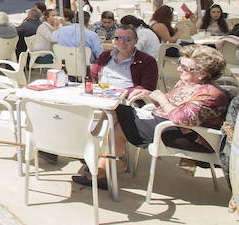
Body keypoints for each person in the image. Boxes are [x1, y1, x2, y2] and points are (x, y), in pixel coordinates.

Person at [74, 45, 229, 190]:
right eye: (180, 64)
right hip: (167, 125)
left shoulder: (210, 94)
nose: (178, 69)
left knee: (113, 110)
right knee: (117, 125)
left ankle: (91, 158)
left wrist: (162, 99)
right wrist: (149, 95)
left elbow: (181, 118)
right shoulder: (188, 83)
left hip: (187, 136)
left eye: (184, 67)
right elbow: (169, 103)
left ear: (202, 74)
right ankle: (103, 170)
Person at [88, 24, 157, 94]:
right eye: (118, 38)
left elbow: (147, 87)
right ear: (114, 40)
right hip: (100, 96)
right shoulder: (105, 56)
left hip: (127, 99)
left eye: (127, 39)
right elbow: (92, 76)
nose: (122, 42)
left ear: (136, 41)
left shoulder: (147, 61)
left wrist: (121, 93)